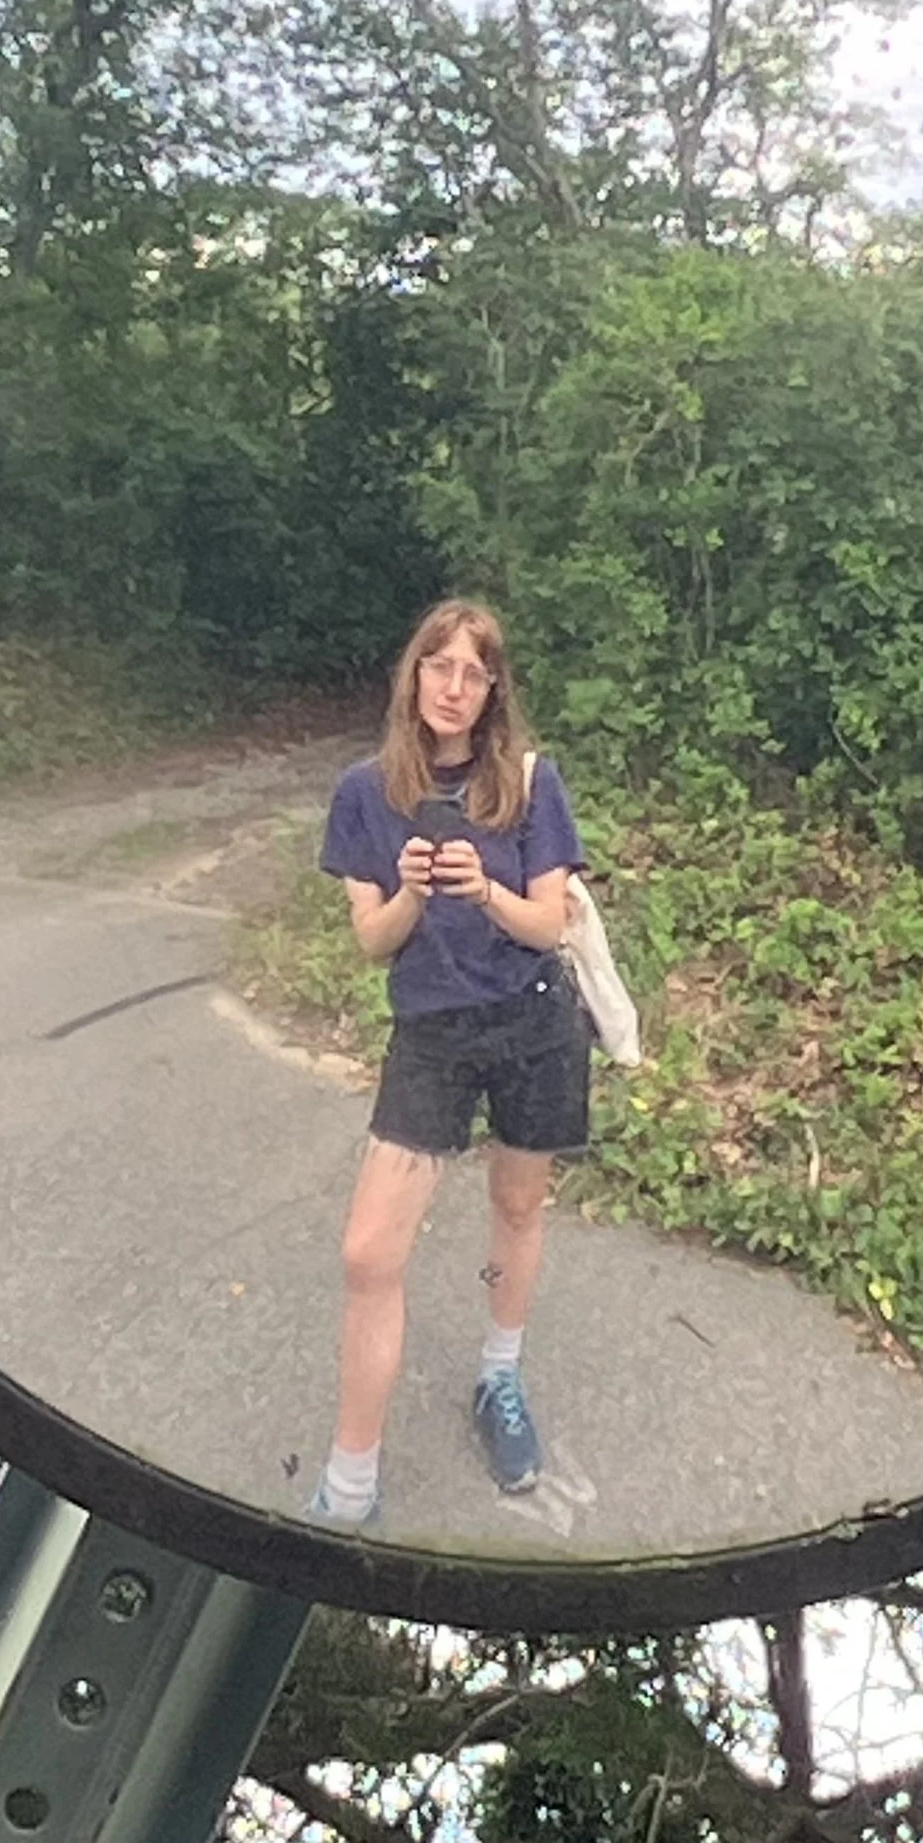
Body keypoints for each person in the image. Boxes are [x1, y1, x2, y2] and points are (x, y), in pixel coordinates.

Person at [307, 598, 587, 1528]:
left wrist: (488, 887)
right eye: (440, 666)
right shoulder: (364, 793)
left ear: (493, 688)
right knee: (368, 1251)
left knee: (517, 1205)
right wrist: (418, 893)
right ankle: (350, 1481)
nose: (455, 687)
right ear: (413, 675)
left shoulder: (531, 785)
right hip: (430, 1031)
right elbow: (370, 941)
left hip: (531, 1019)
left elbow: (550, 924)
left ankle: (498, 1377)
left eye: (474, 672)